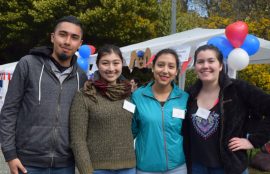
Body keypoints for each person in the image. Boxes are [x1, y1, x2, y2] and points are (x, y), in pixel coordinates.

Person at [0, 15, 87, 174]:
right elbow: (9, 111)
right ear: (53, 37)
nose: (67, 41)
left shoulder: (81, 77)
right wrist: (10, 155)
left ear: (80, 44)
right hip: (27, 163)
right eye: (63, 34)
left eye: (74, 37)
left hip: (65, 165)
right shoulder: (28, 64)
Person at [183, 44, 270, 174]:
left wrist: (253, 141)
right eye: (200, 62)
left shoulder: (238, 89)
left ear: (220, 65)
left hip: (229, 167)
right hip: (197, 166)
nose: (205, 66)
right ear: (195, 67)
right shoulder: (189, 94)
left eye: (211, 61)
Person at [70, 44, 136, 174]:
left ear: (121, 64)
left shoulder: (128, 94)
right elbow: (77, 140)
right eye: (105, 63)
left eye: (115, 63)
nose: (111, 68)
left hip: (128, 167)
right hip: (96, 169)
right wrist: (86, 170)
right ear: (98, 64)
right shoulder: (85, 95)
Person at [132, 48, 189, 174]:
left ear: (176, 71)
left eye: (171, 66)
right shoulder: (137, 96)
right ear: (153, 67)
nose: (165, 71)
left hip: (178, 167)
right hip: (146, 168)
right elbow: (130, 131)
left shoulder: (184, 98)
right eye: (161, 65)